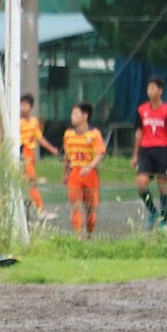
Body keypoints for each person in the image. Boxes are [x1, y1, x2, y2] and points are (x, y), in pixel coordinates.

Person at [132, 77, 167, 231]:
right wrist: (135, 154)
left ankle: (163, 221)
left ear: (160, 91)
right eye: (148, 88)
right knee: (141, 183)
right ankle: (152, 211)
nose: (150, 91)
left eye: (153, 88)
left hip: (163, 150)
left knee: (162, 185)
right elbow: (138, 133)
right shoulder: (141, 110)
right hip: (145, 151)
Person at [63, 102, 105, 240]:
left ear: (85, 116)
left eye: (76, 113)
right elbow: (67, 156)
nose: (72, 116)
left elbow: (99, 154)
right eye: (72, 113)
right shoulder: (68, 134)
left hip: (90, 174)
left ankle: (89, 234)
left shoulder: (94, 134)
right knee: (76, 206)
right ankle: (78, 236)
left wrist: (89, 167)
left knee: (90, 208)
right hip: (75, 173)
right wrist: (65, 173)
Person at [19, 93, 59, 220]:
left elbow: (39, 138)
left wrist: (51, 148)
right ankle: (40, 210)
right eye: (21, 104)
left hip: (29, 154)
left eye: (26, 104)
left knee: (28, 182)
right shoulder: (17, 122)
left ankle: (39, 210)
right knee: (29, 182)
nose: (23, 107)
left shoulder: (34, 122)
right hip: (21, 153)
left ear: (31, 107)